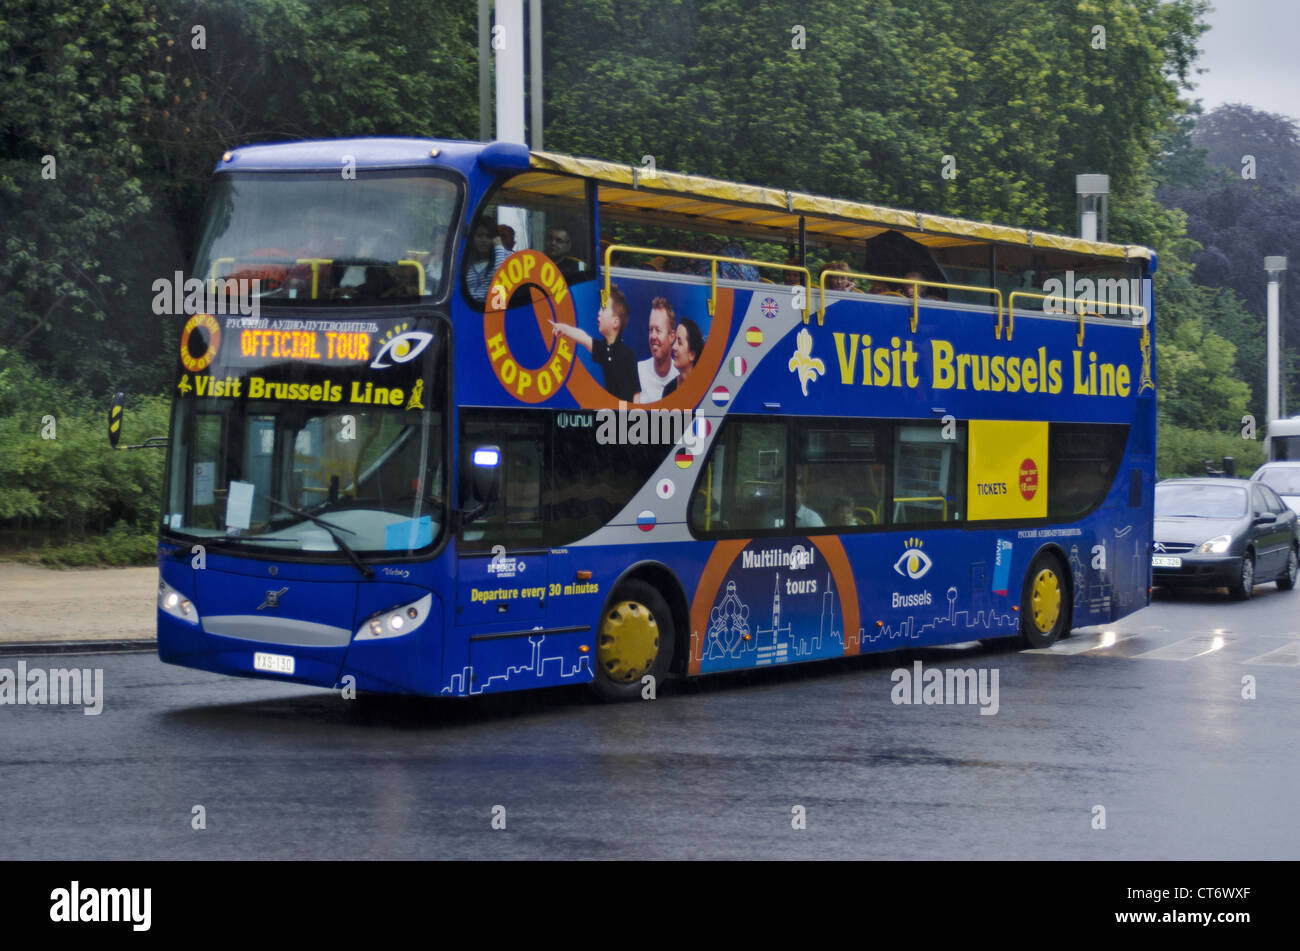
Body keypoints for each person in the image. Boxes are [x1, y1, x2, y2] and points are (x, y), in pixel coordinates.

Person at [549, 284, 639, 401]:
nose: (599, 313)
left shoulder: (628, 355)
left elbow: (636, 392)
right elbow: (583, 337)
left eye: (603, 309)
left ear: (615, 322)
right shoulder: (603, 349)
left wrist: (633, 411)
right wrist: (564, 329)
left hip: (625, 409)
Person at [635, 298, 678, 403]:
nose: (653, 336)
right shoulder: (638, 372)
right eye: (651, 330)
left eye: (658, 330)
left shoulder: (680, 376)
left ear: (672, 336)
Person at [661, 317, 704, 398]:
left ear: (692, 355)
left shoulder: (704, 391)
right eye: (675, 341)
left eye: (679, 343)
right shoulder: (668, 390)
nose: (674, 347)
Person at [465, 219, 507, 302]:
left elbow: (501, 278)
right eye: (479, 236)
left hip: (491, 308)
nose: (483, 240)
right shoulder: (465, 263)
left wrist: (498, 246)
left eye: (488, 236)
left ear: (495, 239)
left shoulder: (502, 257)